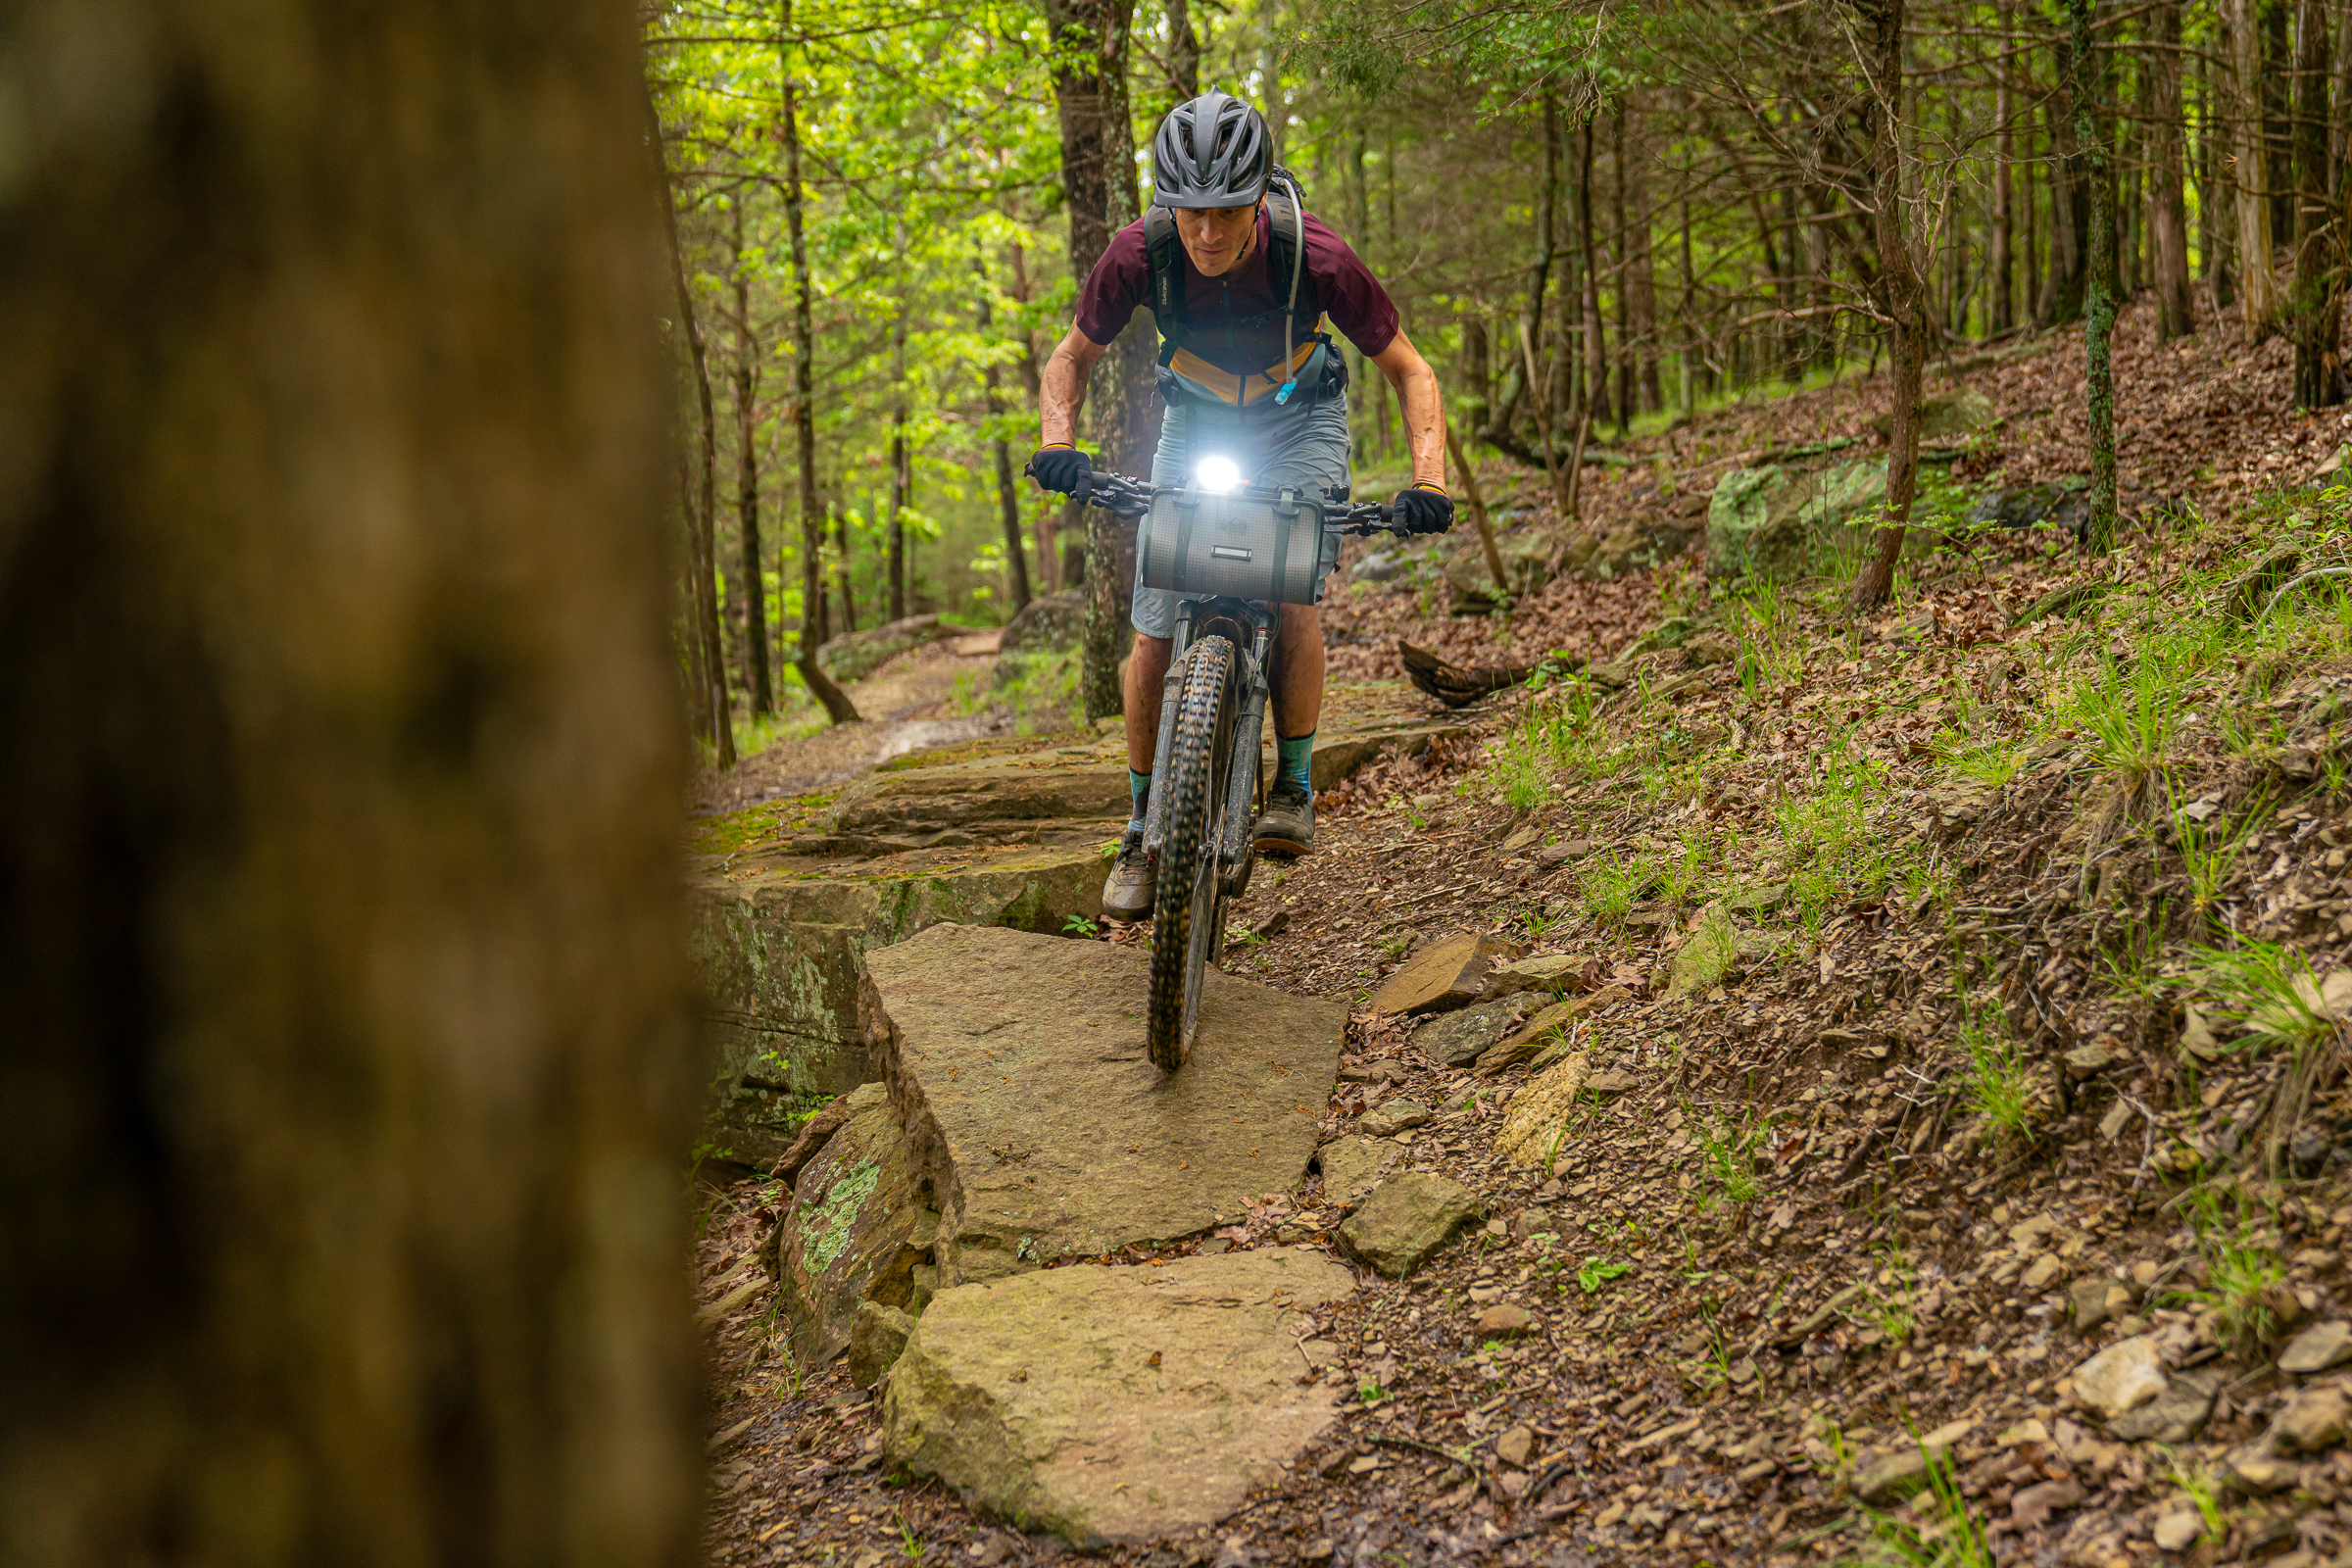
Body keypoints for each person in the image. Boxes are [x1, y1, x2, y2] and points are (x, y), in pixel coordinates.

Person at [1028, 89, 1453, 922]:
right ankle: (1143, 820)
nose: (1209, 234)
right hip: (1195, 420)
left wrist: (1429, 481)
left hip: (1301, 419)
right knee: (1154, 627)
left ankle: (1293, 784)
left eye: (1227, 211)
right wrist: (1057, 441)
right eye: (1192, 214)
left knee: (1291, 588)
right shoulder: (1139, 253)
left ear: (1259, 197)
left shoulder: (1314, 255)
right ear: (1169, 206)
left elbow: (1412, 370)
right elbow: (1071, 357)